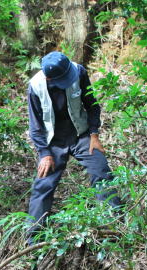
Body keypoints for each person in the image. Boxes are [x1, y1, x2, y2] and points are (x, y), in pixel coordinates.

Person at [27, 51, 121, 241]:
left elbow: (92, 105)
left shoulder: (78, 71)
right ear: (49, 77)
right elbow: (35, 126)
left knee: (102, 172)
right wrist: (45, 153)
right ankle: (33, 240)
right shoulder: (35, 86)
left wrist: (94, 134)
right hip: (53, 141)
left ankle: (117, 226)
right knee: (43, 186)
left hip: (81, 134)